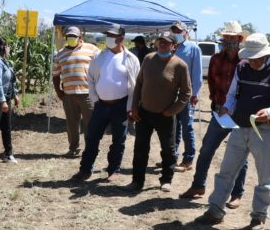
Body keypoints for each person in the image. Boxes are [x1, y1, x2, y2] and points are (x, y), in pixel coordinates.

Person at [196, 34, 270, 230]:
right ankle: (215, 209)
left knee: (265, 176)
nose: (252, 61)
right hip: (240, 126)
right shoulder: (242, 67)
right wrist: (227, 107)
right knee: (227, 170)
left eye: (255, 58)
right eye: (249, 57)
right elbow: (233, 95)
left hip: (265, 130)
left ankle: (259, 216)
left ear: (266, 55)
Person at [178, 21, 249, 209]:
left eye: (231, 37)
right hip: (220, 112)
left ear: (239, 39)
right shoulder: (216, 58)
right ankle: (198, 185)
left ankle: (237, 194)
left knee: (239, 155)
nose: (228, 40)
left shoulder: (246, 61)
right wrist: (216, 102)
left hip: (239, 115)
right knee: (206, 150)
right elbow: (211, 82)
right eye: (226, 37)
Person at [70, 23, 140, 182]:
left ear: (121, 38)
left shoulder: (131, 59)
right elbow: (90, 79)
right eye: (107, 35)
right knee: (92, 138)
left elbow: (136, 85)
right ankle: (85, 170)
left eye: (112, 36)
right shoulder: (99, 57)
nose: (108, 38)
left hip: (121, 105)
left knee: (118, 140)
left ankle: (113, 170)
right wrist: (95, 99)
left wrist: (131, 107)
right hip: (101, 105)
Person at [127, 31, 191, 192]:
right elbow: (138, 84)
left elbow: (186, 93)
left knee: (168, 150)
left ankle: (166, 180)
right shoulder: (148, 59)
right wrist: (134, 107)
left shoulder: (180, 65)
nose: (162, 44)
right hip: (144, 113)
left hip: (165, 115)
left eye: (167, 42)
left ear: (174, 46)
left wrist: (173, 110)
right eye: (160, 41)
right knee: (140, 148)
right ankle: (137, 181)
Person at [53, 26, 99, 157]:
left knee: (90, 123)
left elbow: (101, 66)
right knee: (71, 124)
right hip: (68, 95)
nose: (71, 38)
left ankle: (91, 149)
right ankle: (73, 148)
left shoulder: (92, 49)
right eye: (69, 36)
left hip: (87, 94)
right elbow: (55, 74)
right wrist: (58, 91)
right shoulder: (60, 53)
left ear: (80, 37)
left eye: (74, 36)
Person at [169, 21, 202, 171]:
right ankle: (172, 156)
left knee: (187, 127)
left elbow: (197, 73)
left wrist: (195, 94)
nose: (176, 33)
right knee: (173, 126)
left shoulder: (193, 48)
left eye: (178, 31)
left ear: (185, 33)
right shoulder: (170, 47)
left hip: (186, 95)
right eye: (174, 31)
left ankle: (188, 159)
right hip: (170, 95)